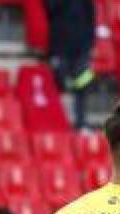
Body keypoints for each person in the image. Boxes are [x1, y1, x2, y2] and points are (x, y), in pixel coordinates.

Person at [43, 0, 96, 130]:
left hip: (81, 47)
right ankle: (56, 121)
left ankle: (81, 121)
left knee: (83, 83)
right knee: (58, 84)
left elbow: (91, 17)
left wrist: (90, 43)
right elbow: (50, 9)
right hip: (60, 45)